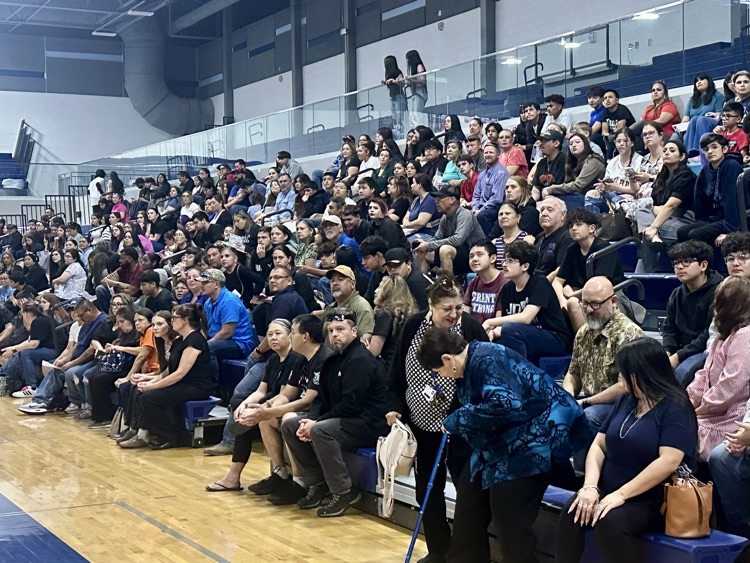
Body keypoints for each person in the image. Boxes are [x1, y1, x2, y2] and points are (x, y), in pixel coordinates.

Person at [417, 328, 588, 563]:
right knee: (468, 498)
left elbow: (507, 405)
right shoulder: (470, 363)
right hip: (504, 441)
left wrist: (459, 418)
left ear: (447, 359)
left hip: (536, 438)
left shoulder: (488, 358)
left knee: (508, 514)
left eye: (439, 371)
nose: (442, 376)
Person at [556, 338, 698, 563]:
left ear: (638, 375)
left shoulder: (676, 407)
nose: (619, 378)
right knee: (574, 510)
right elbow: (599, 445)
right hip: (610, 488)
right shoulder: (627, 399)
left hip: (650, 498)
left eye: (623, 373)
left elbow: (669, 461)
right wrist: (590, 487)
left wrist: (621, 495)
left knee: (609, 521)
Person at [386, 273, 488, 563]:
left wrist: (461, 412)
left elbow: (481, 380)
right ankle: (438, 551)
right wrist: (394, 405)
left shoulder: (471, 328)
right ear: (431, 305)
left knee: (468, 493)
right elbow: (396, 369)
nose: (454, 314)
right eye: (447, 309)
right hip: (421, 423)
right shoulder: (412, 326)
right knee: (427, 491)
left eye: (458, 307)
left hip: (461, 427)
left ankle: (469, 555)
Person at [281, 308, 389, 517]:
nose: (334, 334)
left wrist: (316, 423)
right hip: (344, 419)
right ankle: (317, 483)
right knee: (290, 424)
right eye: (331, 330)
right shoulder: (333, 360)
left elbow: (351, 405)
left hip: (368, 423)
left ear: (354, 331)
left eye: (340, 329)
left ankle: (343, 491)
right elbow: (321, 397)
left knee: (320, 430)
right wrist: (310, 419)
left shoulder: (361, 359)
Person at [205, 319, 307, 493]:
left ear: (290, 335)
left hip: (286, 407)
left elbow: (283, 396)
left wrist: (257, 409)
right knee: (239, 403)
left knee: (248, 419)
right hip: (271, 403)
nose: (273, 338)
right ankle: (242, 476)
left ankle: (234, 476)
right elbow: (261, 390)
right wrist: (244, 406)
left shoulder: (295, 359)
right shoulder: (274, 359)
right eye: (269, 335)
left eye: (278, 333)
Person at [124, 304, 214, 449]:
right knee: (139, 393)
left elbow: (180, 373)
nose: (172, 321)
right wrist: (148, 380)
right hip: (182, 383)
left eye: (175, 318)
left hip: (196, 386)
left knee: (148, 398)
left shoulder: (195, 340)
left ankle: (170, 436)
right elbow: (168, 370)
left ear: (185, 320)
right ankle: (143, 432)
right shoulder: (179, 341)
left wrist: (152, 387)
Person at [562, 277, 645, 435]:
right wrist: (567, 396)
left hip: (622, 405)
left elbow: (625, 387)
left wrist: (584, 403)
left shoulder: (629, 334)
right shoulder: (583, 332)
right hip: (588, 400)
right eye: (584, 303)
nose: (588, 310)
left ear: (613, 301)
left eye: (595, 304)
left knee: (587, 417)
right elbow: (573, 373)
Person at [687, 276, 750, 461]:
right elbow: (704, 375)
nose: (715, 307)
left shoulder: (745, 336)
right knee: (672, 421)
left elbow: (729, 387)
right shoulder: (722, 336)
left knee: (680, 429)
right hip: (712, 409)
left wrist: (697, 411)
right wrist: (688, 401)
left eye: (720, 302)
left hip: (733, 413)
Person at [484, 241, 571, 360]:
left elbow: (526, 318)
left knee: (510, 329)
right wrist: (493, 332)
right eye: (504, 260)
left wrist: (490, 322)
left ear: (525, 266)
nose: (504, 264)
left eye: (510, 261)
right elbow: (506, 324)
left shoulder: (539, 283)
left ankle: (521, 373)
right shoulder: (507, 289)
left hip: (554, 338)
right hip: (525, 335)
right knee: (494, 343)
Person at [662, 241, 723, 386]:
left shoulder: (720, 291)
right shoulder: (676, 293)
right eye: (676, 263)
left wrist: (678, 356)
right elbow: (669, 328)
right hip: (680, 348)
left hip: (706, 349)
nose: (680, 267)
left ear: (703, 265)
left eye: (687, 262)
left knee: (682, 373)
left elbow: (709, 335)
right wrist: (667, 351)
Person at [553, 209, 625, 332]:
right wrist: (562, 299)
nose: (573, 228)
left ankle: (587, 343)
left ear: (592, 228)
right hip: (581, 295)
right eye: (571, 226)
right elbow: (557, 281)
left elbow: (599, 285)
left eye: (579, 224)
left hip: (607, 296)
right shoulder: (572, 249)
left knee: (573, 302)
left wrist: (570, 295)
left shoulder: (604, 248)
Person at [635, 140, 696, 272]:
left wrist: (653, 227)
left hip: (683, 221)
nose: (667, 153)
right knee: (641, 212)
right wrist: (655, 211)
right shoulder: (662, 177)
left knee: (647, 233)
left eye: (672, 150)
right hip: (664, 219)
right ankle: (653, 237)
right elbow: (654, 205)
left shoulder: (686, 176)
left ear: (682, 156)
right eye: (665, 150)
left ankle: (645, 277)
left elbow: (671, 206)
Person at [679, 133, 745, 244]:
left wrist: (731, 231)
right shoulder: (705, 171)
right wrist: (701, 223)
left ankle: (706, 261)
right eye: (706, 149)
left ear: (724, 149)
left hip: (730, 220)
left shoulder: (731, 166)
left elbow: (731, 201)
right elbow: (699, 202)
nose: (709, 151)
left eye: (714, 147)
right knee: (682, 232)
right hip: (713, 219)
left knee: (695, 234)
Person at [413, 184, 486, 276]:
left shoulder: (464, 214)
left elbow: (457, 240)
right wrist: (425, 244)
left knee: (445, 250)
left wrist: (429, 245)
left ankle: (448, 287)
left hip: (473, 254)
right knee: (422, 251)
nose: (436, 201)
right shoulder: (445, 217)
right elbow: (437, 237)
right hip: (457, 253)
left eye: (439, 198)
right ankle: (424, 284)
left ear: (452, 199)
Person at [200, 268, 256, 380]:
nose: (202, 285)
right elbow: (205, 326)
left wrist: (205, 343)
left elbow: (227, 332)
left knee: (208, 348)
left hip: (239, 343)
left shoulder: (229, 301)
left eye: (205, 282)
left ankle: (212, 386)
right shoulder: (208, 302)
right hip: (220, 340)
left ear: (216, 284)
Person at [3, 301, 56, 397]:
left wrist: (14, 349)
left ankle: (31, 387)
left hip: (54, 351)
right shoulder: (40, 320)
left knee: (26, 353)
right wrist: (14, 349)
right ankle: (3, 374)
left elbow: (33, 344)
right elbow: (28, 341)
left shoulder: (39, 321)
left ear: (25, 313)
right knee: (19, 352)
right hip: (46, 349)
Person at [542, 134, 605, 211]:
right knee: (549, 200)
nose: (573, 145)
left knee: (552, 201)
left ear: (585, 144)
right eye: (571, 144)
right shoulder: (573, 162)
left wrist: (552, 188)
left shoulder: (593, 160)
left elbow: (578, 185)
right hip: (580, 196)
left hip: (595, 198)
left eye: (577, 142)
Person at [369, 276, 417, 370]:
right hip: (404, 366)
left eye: (380, 287)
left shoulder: (385, 315)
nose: (375, 291)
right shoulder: (407, 314)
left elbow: (374, 351)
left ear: (388, 292)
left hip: (386, 369)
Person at [318, 266, 374, 345]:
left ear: (352, 283)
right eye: (332, 280)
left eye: (340, 279)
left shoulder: (361, 307)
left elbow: (365, 340)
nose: (335, 283)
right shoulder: (330, 308)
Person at [472, 142, 510, 235]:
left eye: (491, 153)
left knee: (482, 215)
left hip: (496, 207)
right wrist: (474, 208)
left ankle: (491, 241)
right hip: (481, 208)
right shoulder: (482, 174)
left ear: (498, 155)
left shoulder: (501, 173)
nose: (488, 155)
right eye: (486, 153)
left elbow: (496, 199)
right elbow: (476, 195)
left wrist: (480, 210)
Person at [463, 241, 505, 325]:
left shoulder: (505, 282)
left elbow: (499, 321)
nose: (474, 259)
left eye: (480, 255)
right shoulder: (473, 283)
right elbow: (464, 314)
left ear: (493, 258)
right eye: (471, 256)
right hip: (473, 332)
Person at [684, 72, 725, 153]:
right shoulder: (692, 100)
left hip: (712, 122)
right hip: (694, 124)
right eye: (697, 81)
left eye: (702, 79)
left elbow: (720, 114)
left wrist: (714, 114)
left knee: (700, 119)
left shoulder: (717, 96)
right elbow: (685, 118)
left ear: (708, 81)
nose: (699, 82)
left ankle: (699, 150)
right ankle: (688, 153)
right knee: (694, 119)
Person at [95, 247, 143, 313]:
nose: (119, 260)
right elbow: (103, 281)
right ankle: (107, 315)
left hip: (133, 298)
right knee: (100, 289)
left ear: (129, 259)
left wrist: (115, 286)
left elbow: (131, 292)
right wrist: (118, 284)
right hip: (119, 293)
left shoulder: (140, 271)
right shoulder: (123, 268)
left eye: (122, 258)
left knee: (125, 298)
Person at [491, 202, 535, 270]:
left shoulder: (527, 239)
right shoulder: (494, 243)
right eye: (500, 214)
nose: (503, 216)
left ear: (518, 217)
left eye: (507, 213)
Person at [598, 89, 636, 157]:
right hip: (612, 138)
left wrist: (609, 136)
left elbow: (619, 129)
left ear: (617, 100)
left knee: (612, 139)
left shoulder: (622, 109)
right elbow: (604, 131)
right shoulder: (605, 112)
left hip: (628, 136)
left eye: (610, 97)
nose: (607, 100)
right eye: (605, 98)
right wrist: (608, 136)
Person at [531, 130, 566, 200]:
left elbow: (561, 188)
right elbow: (536, 188)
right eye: (540, 141)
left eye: (545, 141)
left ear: (556, 143)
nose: (540, 144)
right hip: (543, 200)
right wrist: (532, 202)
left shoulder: (563, 160)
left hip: (559, 200)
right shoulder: (541, 163)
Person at [404, 174, 441, 239]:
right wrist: (406, 223)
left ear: (419, 185)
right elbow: (406, 217)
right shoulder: (416, 199)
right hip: (412, 230)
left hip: (428, 233)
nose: (411, 185)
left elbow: (421, 222)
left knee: (406, 243)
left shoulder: (430, 200)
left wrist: (408, 225)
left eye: (413, 183)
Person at [404, 49, 427, 127]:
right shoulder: (413, 69)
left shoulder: (419, 66)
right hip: (415, 93)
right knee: (413, 115)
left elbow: (422, 80)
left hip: (420, 92)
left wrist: (411, 80)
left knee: (417, 114)